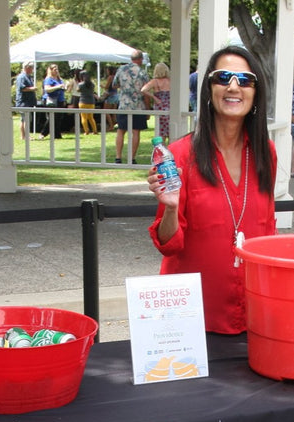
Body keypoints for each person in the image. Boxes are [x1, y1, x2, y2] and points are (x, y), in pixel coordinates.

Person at [147, 45, 277, 334]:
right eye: (223, 78)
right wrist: (169, 206)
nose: (234, 86)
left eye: (245, 80)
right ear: (208, 90)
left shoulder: (265, 152)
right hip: (191, 321)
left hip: (253, 315)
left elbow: (268, 231)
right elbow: (170, 244)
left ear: (256, 93)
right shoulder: (180, 155)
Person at [114, 50, 149, 164]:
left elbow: (115, 84)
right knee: (136, 132)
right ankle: (132, 158)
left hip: (124, 105)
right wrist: (147, 109)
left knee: (121, 130)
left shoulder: (121, 69)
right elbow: (146, 92)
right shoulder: (142, 73)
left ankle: (118, 157)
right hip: (138, 106)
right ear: (140, 59)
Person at [142, 62, 171, 143]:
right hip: (170, 105)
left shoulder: (154, 82)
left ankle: (161, 149)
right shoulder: (170, 81)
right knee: (170, 129)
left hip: (160, 106)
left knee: (161, 129)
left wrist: (154, 97)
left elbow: (143, 90)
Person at [40, 64, 66, 139]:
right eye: (55, 69)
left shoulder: (59, 79)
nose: (57, 71)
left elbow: (62, 88)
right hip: (51, 100)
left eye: (57, 69)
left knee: (58, 118)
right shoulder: (48, 79)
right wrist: (58, 86)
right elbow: (47, 89)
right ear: (51, 70)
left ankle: (57, 135)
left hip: (60, 100)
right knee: (52, 118)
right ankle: (43, 133)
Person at [15, 61, 37, 140]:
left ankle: (23, 136)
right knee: (27, 119)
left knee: (23, 119)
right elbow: (22, 88)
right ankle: (26, 136)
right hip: (24, 102)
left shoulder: (28, 76)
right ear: (27, 68)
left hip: (28, 101)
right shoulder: (22, 77)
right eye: (31, 68)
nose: (32, 69)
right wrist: (32, 89)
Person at [78, 70, 98, 134]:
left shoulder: (81, 84)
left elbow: (78, 90)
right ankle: (95, 130)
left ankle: (86, 131)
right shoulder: (92, 84)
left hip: (83, 102)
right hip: (91, 102)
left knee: (84, 117)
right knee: (91, 117)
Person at [102, 65, 119, 130]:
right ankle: (115, 123)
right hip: (116, 95)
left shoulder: (110, 77)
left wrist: (102, 86)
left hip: (110, 95)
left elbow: (107, 87)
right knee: (113, 111)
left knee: (106, 111)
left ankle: (111, 125)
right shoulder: (116, 77)